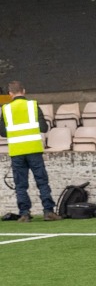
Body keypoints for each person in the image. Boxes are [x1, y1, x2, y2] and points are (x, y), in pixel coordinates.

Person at [0, 81, 61, 222]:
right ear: (24, 91)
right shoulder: (33, 105)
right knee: (42, 182)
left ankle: (24, 213)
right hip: (33, 149)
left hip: (17, 151)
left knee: (20, 184)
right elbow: (44, 128)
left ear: (10, 94)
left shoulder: (6, 109)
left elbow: (2, 132)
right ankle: (48, 211)